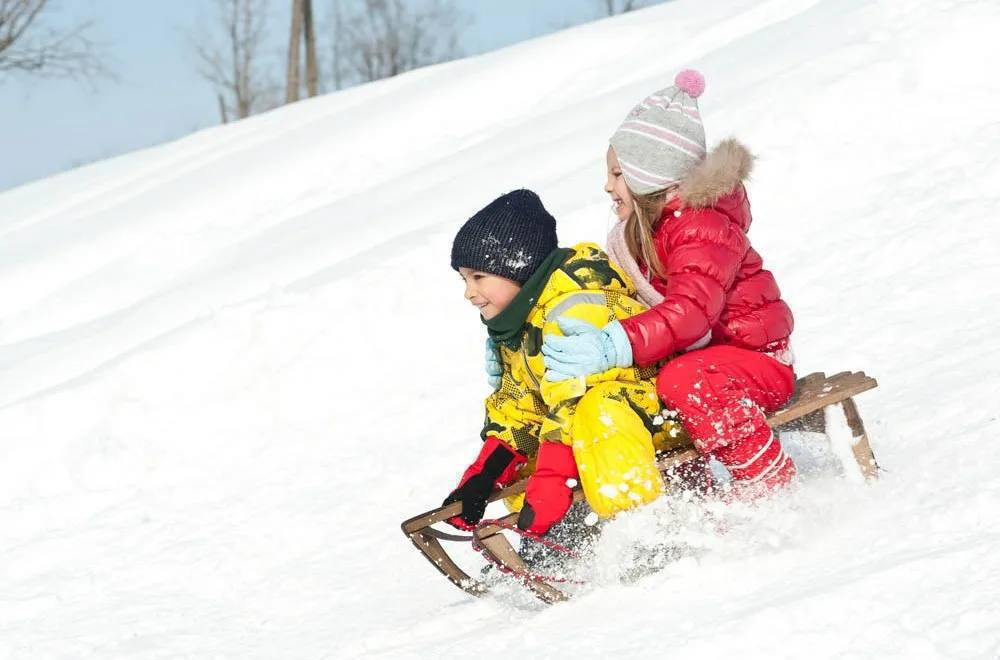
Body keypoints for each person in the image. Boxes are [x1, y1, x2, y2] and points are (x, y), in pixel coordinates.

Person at [541, 70, 797, 495]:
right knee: (648, 387)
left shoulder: (701, 226)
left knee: (680, 381)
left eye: (618, 174)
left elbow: (692, 313)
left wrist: (613, 344)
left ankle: (767, 482)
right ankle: (693, 499)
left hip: (757, 362)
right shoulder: (652, 232)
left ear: (649, 177)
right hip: (715, 361)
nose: (608, 186)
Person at [443, 189, 692, 537]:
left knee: (596, 411)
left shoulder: (574, 310)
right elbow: (520, 410)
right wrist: (483, 478)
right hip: (603, 429)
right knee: (526, 459)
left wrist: (552, 481)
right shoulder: (518, 325)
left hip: (658, 416)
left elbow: (575, 402)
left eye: (478, 277)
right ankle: (563, 536)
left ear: (518, 266)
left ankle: (641, 528)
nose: (469, 292)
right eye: (464, 279)